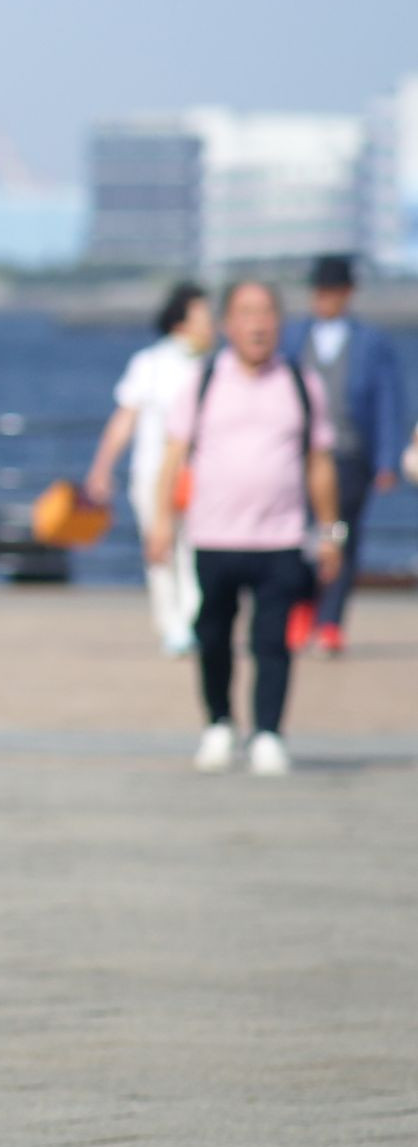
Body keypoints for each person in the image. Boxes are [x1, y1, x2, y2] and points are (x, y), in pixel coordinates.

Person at [154, 279, 343, 775]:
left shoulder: (301, 384)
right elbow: (172, 456)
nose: (257, 324)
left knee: (273, 641)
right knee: (212, 634)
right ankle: (219, 723)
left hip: (281, 536)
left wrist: (330, 531)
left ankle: (268, 733)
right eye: (246, 313)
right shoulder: (203, 381)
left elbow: (319, 462)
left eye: (266, 313)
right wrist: (160, 523)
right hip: (213, 536)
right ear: (227, 324)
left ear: (280, 323)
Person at [86, 280, 215, 656]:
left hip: (204, 477)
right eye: (204, 317)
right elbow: (125, 418)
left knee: (198, 550)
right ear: (181, 323)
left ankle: (194, 620)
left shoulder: (216, 366)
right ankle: (173, 627)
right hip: (153, 475)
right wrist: (101, 468)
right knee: (161, 548)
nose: (212, 324)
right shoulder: (151, 364)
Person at [284, 256, 404, 657]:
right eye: (320, 291)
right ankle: (302, 607)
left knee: (339, 535)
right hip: (298, 456)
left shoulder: (371, 342)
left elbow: (388, 402)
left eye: (332, 292)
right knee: (299, 535)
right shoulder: (294, 337)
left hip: (350, 457)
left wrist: (387, 460)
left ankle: (331, 619)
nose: (325, 299)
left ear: (347, 294)